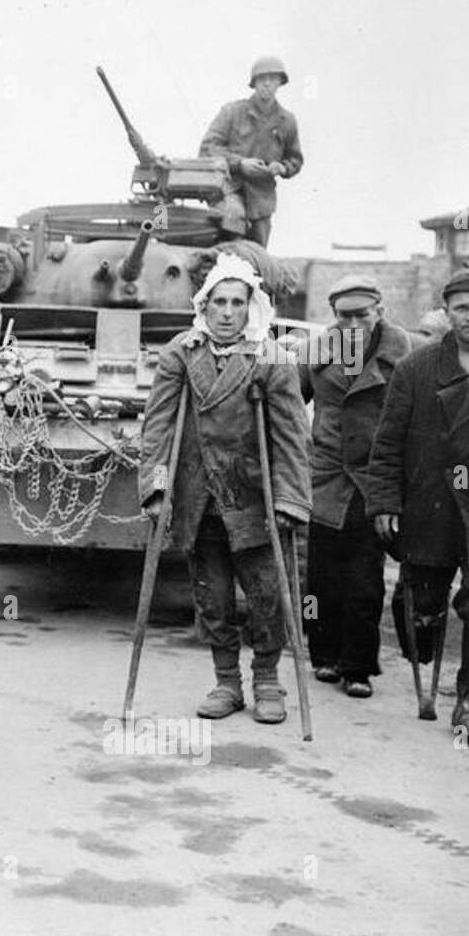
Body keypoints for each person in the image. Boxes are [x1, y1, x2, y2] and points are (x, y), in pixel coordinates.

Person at [139, 253, 311, 723]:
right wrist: (157, 489)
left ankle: (268, 680)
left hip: (254, 498)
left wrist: (292, 498)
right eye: (220, 302)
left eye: (238, 302)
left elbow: (293, 435)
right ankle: (227, 684)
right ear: (205, 305)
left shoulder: (270, 356)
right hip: (199, 496)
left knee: (265, 593)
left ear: (250, 307)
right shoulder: (181, 351)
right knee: (211, 596)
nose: (228, 312)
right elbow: (157, 429)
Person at [367, 269, 469, 747]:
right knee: (421, 606)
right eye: (462, 308)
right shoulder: (417, 368)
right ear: (447, 313)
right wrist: (385, 500)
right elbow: (386, 444)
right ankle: (420, 626)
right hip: (430, 505)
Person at [299, 274, 411, 699]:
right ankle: (323, 655)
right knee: (322, 578)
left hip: (373, 480)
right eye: (343, 316)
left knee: (365, 580)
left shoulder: (402, 353)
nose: (352, 324)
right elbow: (290, 402)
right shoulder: (316, 351)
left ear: (379, 312)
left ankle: (358, 665)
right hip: (325, 477)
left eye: (361, 315)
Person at [200, 56, 304, 248]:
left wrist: (282, 167)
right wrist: (240, 163)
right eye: (262, 78)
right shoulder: (232, 112)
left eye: (273, 78)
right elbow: (208, 149)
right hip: (228, 192)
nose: (267, 84)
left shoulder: (287, 121)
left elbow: (295, 158)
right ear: (254, 82)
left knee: (257, 259)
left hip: (261, 200)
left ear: (280, 82)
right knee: (227, 248)